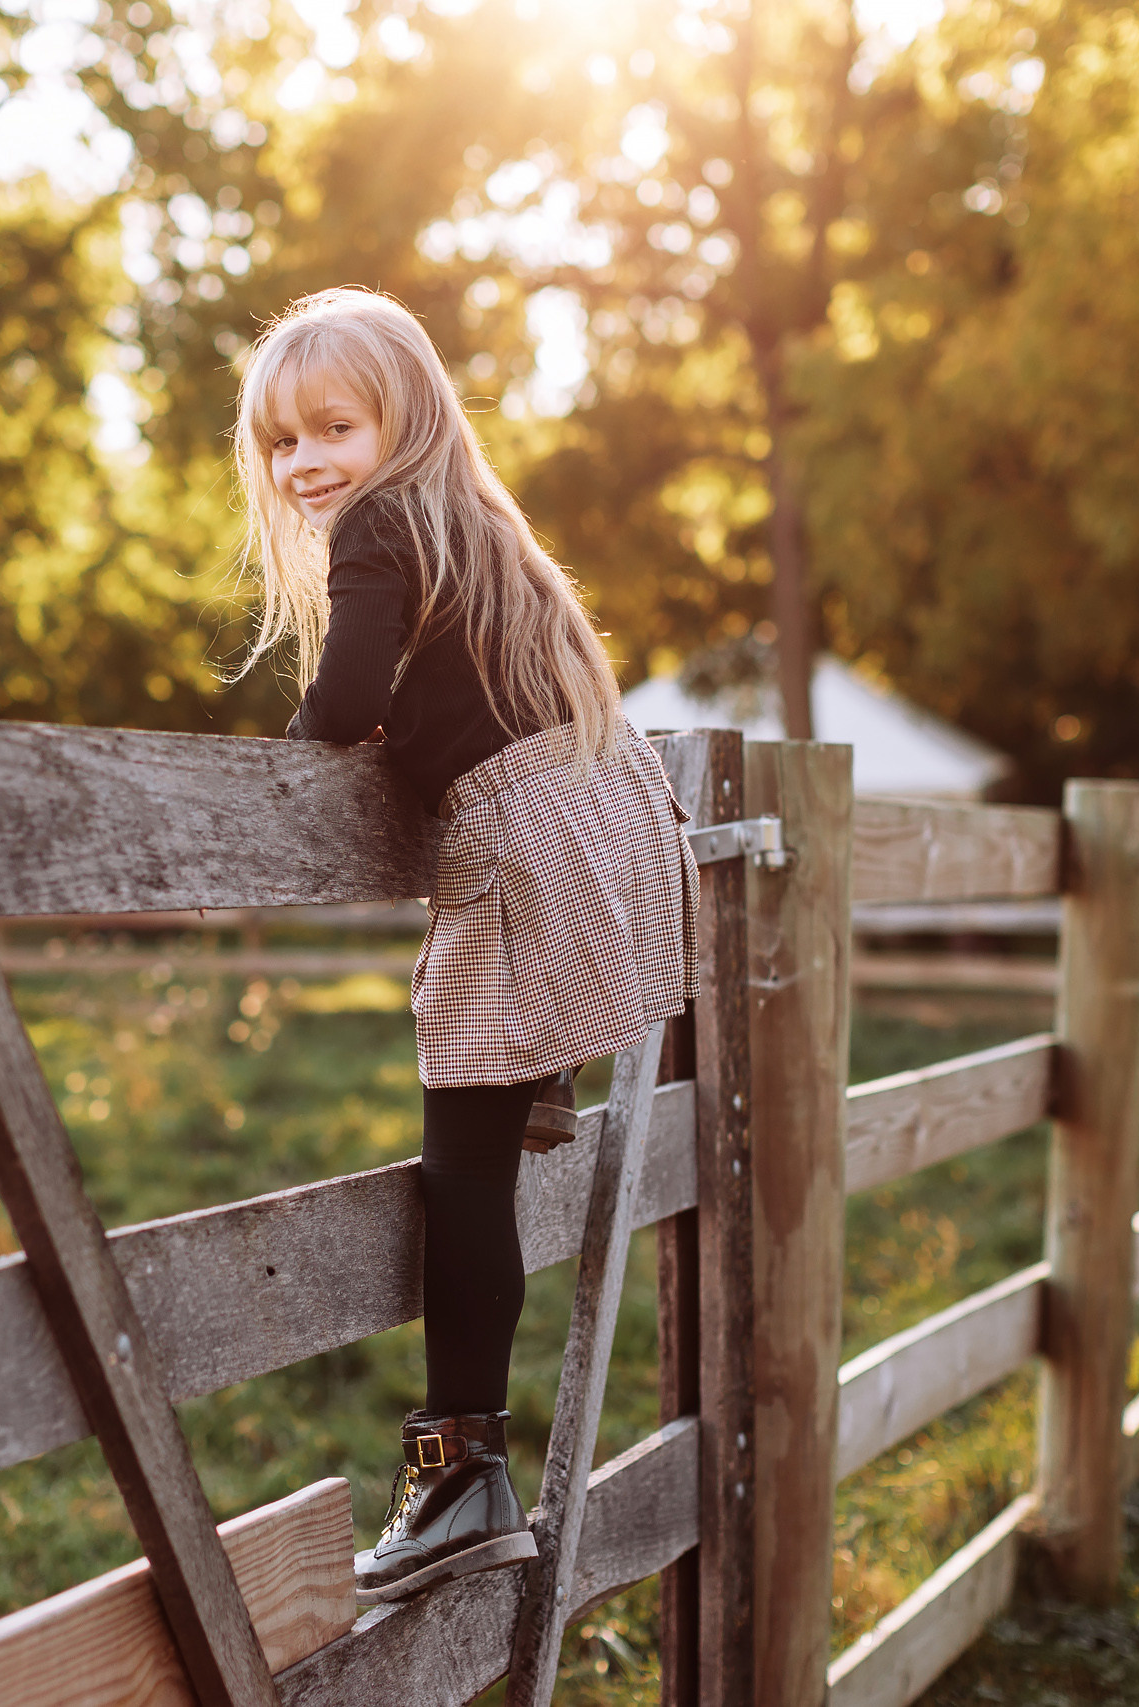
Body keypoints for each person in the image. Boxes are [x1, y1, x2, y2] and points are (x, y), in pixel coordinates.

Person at [230, 287, 699, 1604]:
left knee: (461, 1171)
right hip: (607, 813)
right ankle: (538, 1077)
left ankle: (456, 1475)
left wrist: (295, 761)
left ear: (406, 421)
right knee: (487, 1121)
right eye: (282, 442)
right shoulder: (478, 525)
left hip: (519, 841)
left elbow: (346, 703)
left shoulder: (384, 524)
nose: (308, 461)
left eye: (336, 425)